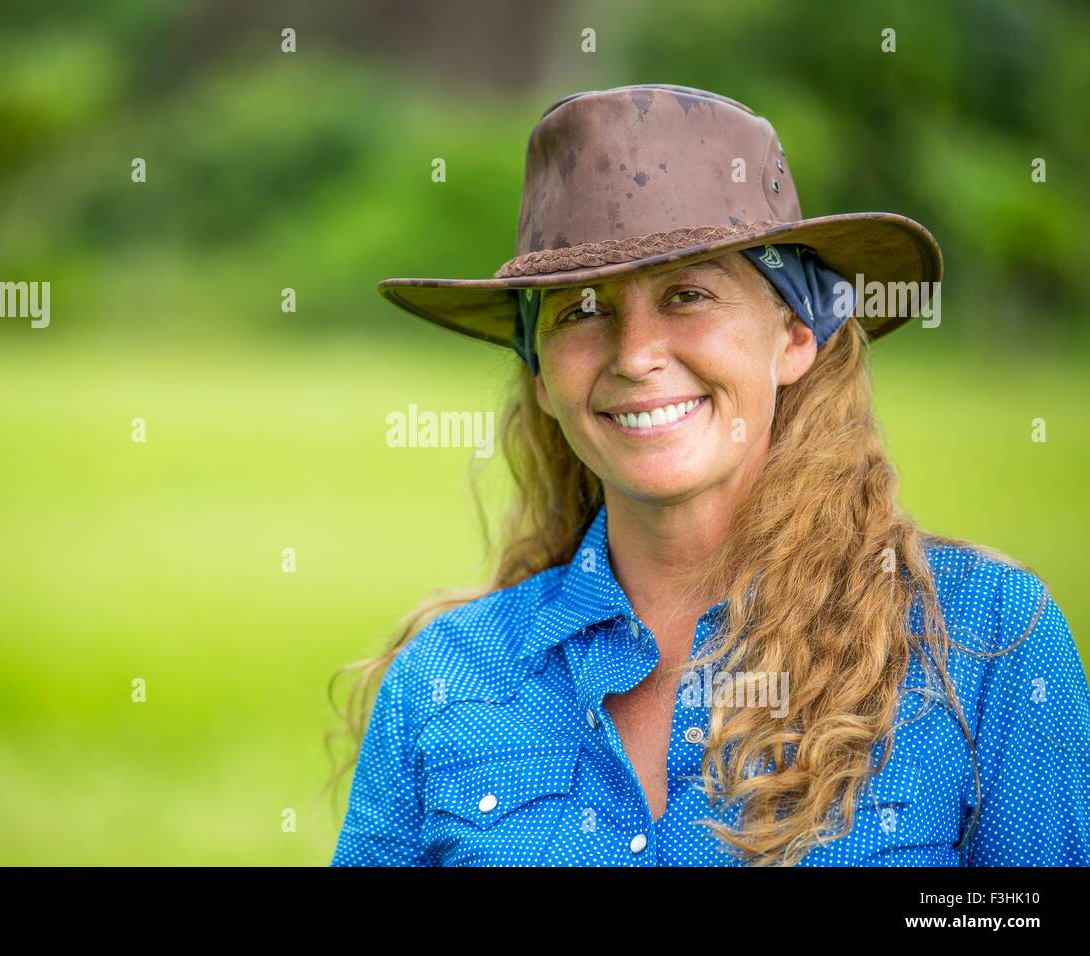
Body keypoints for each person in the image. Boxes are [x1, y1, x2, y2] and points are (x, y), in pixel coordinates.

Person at [327, 84, 1090, 866]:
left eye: (688, 295)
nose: (634, 356)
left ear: (795, 336)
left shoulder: (983, 644)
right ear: (540, 376)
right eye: (580, 312)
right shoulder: (447, 679)